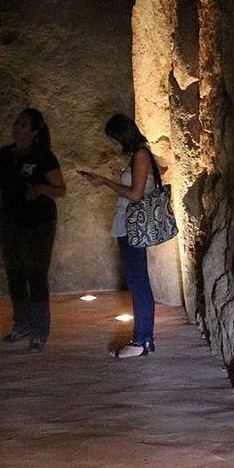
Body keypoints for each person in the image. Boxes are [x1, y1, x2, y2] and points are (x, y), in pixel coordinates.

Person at [0, 107, 66, 351]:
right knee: (15, 275)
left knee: (36, 275)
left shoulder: (43, 156)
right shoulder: (3, 155)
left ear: (33, 132)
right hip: (10, 220)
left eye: (22, 125)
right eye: (16, 123)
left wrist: (41, 189)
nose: (16, 128)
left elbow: (60, 189)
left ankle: (40, 331)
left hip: (38, 223)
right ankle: (21, 324)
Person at [80, 113, 157, 359]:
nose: (113, 144)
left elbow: (135, 194)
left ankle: (142, 340)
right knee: (137, 283)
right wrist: (118, 175)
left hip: (133, 227)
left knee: (139, 284)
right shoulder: (136, 157)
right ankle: (143, 339)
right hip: (127, 226)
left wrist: (106, 182)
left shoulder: (141, 155)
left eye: (114, 140)